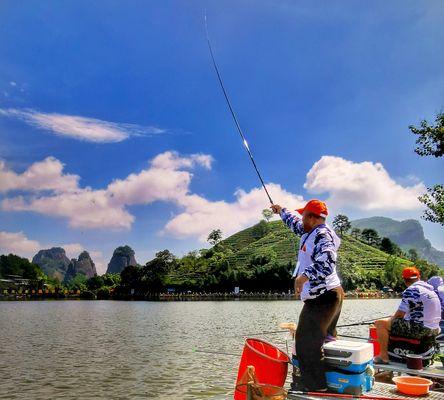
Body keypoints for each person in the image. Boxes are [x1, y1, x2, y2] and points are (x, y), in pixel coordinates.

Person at [271, 199, 343, 392]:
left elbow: (328, 260)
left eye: (304, 215)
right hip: (329, 295)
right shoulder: (309, 231)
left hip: (323, 298)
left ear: (312, 218)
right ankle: (328, 381)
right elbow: (293, 222)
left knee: (305, 345)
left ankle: (316, 388)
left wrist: (303, 277)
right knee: (323, 339)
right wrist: (281, 211)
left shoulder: (322, 234)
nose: (300, 219)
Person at [374, 266, 441, 364]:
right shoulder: (430, 290)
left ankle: (384, 357)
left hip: (422, 329)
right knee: (389, 323)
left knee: (380, 324)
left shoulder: (412, 290)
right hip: (435, 330)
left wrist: (388, 321)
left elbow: (399, 315)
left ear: (405, 280)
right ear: (419, 277)